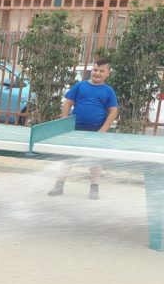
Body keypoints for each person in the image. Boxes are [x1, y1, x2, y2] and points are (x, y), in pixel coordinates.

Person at [48, 58, 119, 200]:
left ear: (108, 74)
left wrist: (103, 130)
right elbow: (67, 104)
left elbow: (113, 112)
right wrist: (65, 124)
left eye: (101, 71)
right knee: (67, 158)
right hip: (75, 130)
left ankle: (94, 188)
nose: (97, 73)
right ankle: (59, 185)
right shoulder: (80, 86)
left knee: (95, 161)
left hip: (96, 132)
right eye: (95, 70)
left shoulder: (109, 91)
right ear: (91, 71)